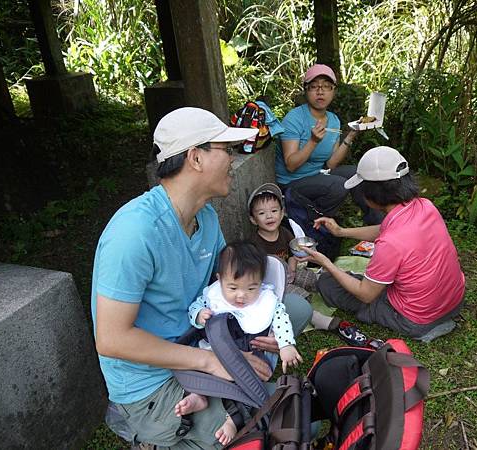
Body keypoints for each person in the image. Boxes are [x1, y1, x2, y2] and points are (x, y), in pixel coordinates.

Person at [91, 107, 312, 450]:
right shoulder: (134, 233)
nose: (234, 160)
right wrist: (214, 360)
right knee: (259, 425)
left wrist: (265, 332)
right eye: (226, 150)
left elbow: (225, 285)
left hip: (199, 335)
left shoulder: (205, 216)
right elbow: (111, 340)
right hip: (152, 380)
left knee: (295, 310)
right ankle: (147, 432)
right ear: (195, 158)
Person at [300, 146, 465, 341]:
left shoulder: (390, 243)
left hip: (416, 319)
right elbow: (385, 229)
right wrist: (341, 232)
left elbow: (366, 295)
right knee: (359, 278)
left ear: (372, 193)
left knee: (330, 283)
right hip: (454, 301)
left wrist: (327, 263)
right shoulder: (425, 206)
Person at [177, 241, 303, 445]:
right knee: (198, 372)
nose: (241, 296)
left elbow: (281, 319)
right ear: (220, 280)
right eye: (233, 287)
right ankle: (197, 395)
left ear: (261, 283)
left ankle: (233, 419)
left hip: (247, 354)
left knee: (241, 384)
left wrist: (286, 344)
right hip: (213, 348)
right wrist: (199, 314)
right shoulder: (213, 294)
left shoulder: (267, 300)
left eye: (251, 288)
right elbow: (195, 306)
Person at [275, 63, 383, 226]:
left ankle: (377, 227)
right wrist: (313, 141)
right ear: (306, 90)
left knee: (360, 173)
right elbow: (291, 165)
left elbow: (331, 163)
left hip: (318, 174)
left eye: (327, 86)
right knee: (338, 186)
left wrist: (352, 134)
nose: (320, 91)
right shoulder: (294, 118)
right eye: (314, 87)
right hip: (292, 183)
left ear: (333, 91)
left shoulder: (333, 120)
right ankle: (312, 223)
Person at [247, 182, 317, 296]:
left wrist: (292, 270)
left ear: (281, 213)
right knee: (299, 296)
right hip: (270, 283)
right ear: (253, 220)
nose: (269, 216)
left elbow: (293, 254)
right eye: (261, 213)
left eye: (274, 211)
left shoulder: (284, 232)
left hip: (287, 272)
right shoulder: (253, 243)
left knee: (310, 278)